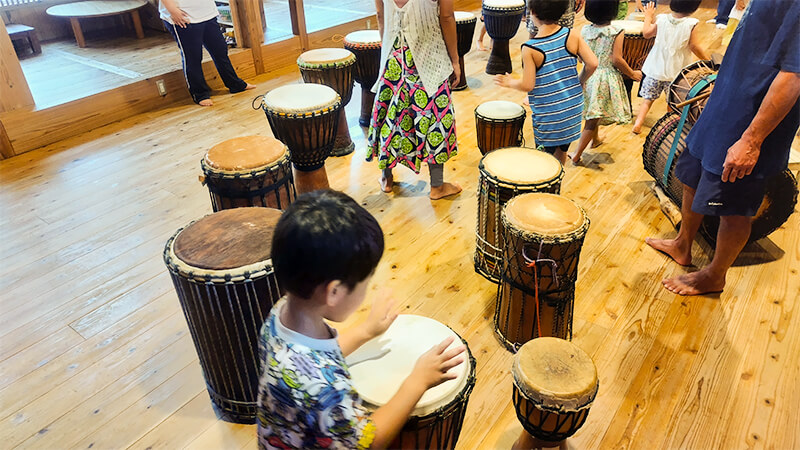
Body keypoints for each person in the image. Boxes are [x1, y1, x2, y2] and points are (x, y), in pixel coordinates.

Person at [256, 190, 466, 448]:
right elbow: (368, 441)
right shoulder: (325, 390)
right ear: (334, 292)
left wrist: (365, 331)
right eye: (364, 283)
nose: (366, 291)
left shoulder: (279, 315)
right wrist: (417, 381)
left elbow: (312, 360)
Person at [646, 0, 800, 295]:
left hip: (751, 116)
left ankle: (715, 275)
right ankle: (682, 244)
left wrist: (752, 140)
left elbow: (793, 76)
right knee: (691, 175)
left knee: (735, 205)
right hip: (727, 101)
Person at [367, 0, 463, 200]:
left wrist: (388, 50)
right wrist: (455, 60)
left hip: (394, 55)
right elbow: (446, 17)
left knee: (389, 116)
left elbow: (380, 15)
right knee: (436, 119)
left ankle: (386, 178)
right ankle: (437, 186)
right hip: (430, 55)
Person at [496, 0, 598, 165]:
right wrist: (579, 81)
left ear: (533, 12)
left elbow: (528, 85)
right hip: (572, 108)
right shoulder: (572, 34)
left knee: (545, 159)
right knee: (561, 150)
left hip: (549, 114)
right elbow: (592, 63)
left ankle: (550, 180)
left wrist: (510, 82)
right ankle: (559, 178)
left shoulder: (530, 48)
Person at [569, 0, 642, 164]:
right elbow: (617, 59)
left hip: (587, 75)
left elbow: (580, 57)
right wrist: (632, 73)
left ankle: (595, 140)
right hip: (604, 79)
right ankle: (577, 154)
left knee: (593, 113)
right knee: (592, 119)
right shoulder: (616, 31)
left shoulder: (585, 30)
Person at [631, 0, 709, 134]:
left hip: (655, 67)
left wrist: (648, 16)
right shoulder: (691, 23)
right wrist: (706, 60)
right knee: (673, 101)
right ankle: (668, 126)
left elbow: (646, 33)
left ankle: (638, 123)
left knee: (648, 99)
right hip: (676, 71)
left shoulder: (661, 19)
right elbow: (694, 46)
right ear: (694, 8)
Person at [160, 0, 255, 106]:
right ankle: (200, 94)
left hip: (207, 13)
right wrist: (173, 11)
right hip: (183, 16)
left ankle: (235, 84)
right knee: (193, 57)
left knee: (220, 50)